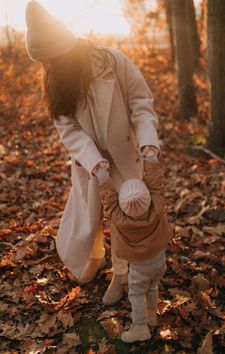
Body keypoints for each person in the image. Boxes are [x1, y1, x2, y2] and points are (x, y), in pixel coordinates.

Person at [25, 0, 161, 305]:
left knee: (126, 217)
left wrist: (148, 140)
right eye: (43, 62)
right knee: (91, 220)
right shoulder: (55, 80)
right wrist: (94, 162)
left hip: (125, 155)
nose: (47, 68)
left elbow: (141, 103)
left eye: (52, 60)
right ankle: (94, 260)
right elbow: (67, 128)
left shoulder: (112, 61)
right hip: (91, 164)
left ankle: (122, 273)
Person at [96, 152, 172, 343]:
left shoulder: (120, 218)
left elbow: (109, 202)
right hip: (159, 262)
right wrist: (151, 160)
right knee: (152, 286)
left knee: (137, 293)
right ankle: (151, 316)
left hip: (140, 268)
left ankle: (140, 327)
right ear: (147, 196)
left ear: (122, 204)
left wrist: (103, 177)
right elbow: (156, 184)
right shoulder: (156, 207)